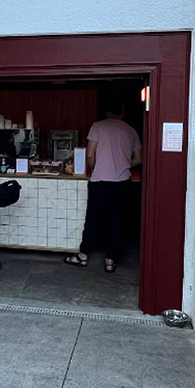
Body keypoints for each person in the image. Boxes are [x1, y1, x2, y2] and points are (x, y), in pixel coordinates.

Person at [65, 98, 142, 273]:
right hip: (122, 183)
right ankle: (110, 260)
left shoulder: (97, 127)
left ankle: (83, 256)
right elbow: (139, 158)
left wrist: (95, 169)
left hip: (99, 181)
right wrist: (123, 163)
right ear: (122, 112)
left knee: (92, 219)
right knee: (117, 221)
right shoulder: (131, 131)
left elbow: (90, 155)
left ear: (107, 112)